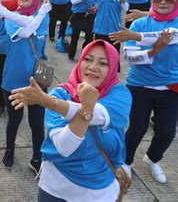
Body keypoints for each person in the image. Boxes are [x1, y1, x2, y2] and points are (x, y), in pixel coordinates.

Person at [9, 40, 132, 201]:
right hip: (57, 188)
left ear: (112, 69)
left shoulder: (120, 94)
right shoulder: (60, 93)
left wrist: (48, 101)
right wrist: (86, 108)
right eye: (87, 59)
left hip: (101, 192)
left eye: (103, 63)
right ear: (79, 62)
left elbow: (98, 114)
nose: (93, 67)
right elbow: (64, 147)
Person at [110, 0, 178, 184]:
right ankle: (126, 161)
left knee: (166, 132)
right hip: (140, 85)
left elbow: (171, 36)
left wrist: (135, 38)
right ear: (152, 1)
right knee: (137, 128)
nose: (163, 2)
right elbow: (130, 58)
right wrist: (153, 51)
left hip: (171, 87)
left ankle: (152, 159)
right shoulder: (140, 23)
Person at [0, 0, 51, 175]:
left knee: (37, 124)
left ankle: (37, 158)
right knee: (14, 120)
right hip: (13, 79)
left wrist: (2, 10)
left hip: (37, 81)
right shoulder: (11, 18)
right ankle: (9, 151)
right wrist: (3, 11)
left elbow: (32, 26)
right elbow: (26, 31)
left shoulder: (43, 19)